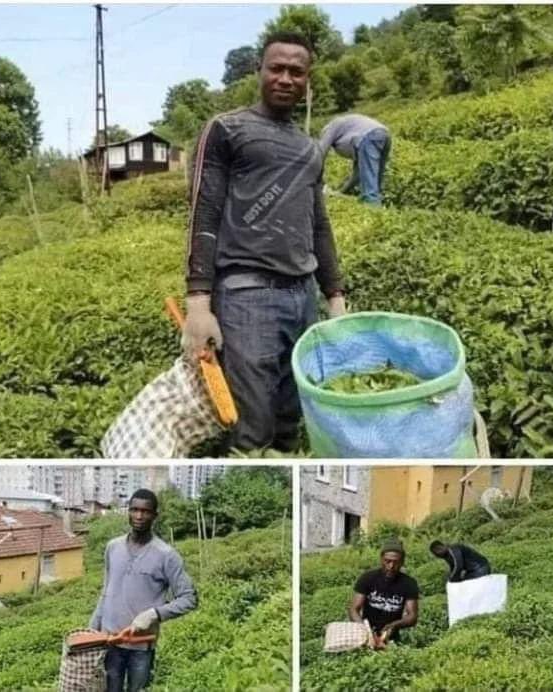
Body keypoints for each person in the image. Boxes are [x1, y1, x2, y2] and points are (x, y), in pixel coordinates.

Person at [183, 31, 346, 453]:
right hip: (247, 294)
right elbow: (204, 213)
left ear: (308, 80)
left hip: (302, 295)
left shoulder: (310, 149)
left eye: (297, 71)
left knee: (291, 417)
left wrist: (335, 296)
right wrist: (198, 306)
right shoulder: (226, 130)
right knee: (251, 426)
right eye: (277, 68)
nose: (286, 78)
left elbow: (319, 225)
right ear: (259, 70)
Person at [89, 489, 197, 692]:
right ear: (128, 512)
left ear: (155, 516)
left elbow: (189, 598)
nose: (139, 516)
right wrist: (92, 630)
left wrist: (154, 614)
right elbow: (106, 590)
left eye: (145, 511)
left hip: (141, 646)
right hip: (110, 641)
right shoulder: (113, 547)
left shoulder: (166, 555)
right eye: (134, 510)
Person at [349, 538, 418, 647]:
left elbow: (412, 616)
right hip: (364, 635)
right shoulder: (368, 578)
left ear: (402, 562)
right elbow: (354, 609)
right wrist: (365, 630)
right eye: (387, 561)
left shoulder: (409, 584)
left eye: (396, 562)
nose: (391, 566)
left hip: (391, 637)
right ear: (381, 559)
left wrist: (395, 625)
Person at [319, 113, 392, 205]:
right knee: (376, 182)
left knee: (370, 192)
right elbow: (357, 176)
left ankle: (373, 210)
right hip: (384, 134)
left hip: (370, 136)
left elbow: (321, 152)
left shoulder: (333, 126)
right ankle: (379, 206)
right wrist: (341, 191)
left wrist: (317, 179)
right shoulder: (354, 134)